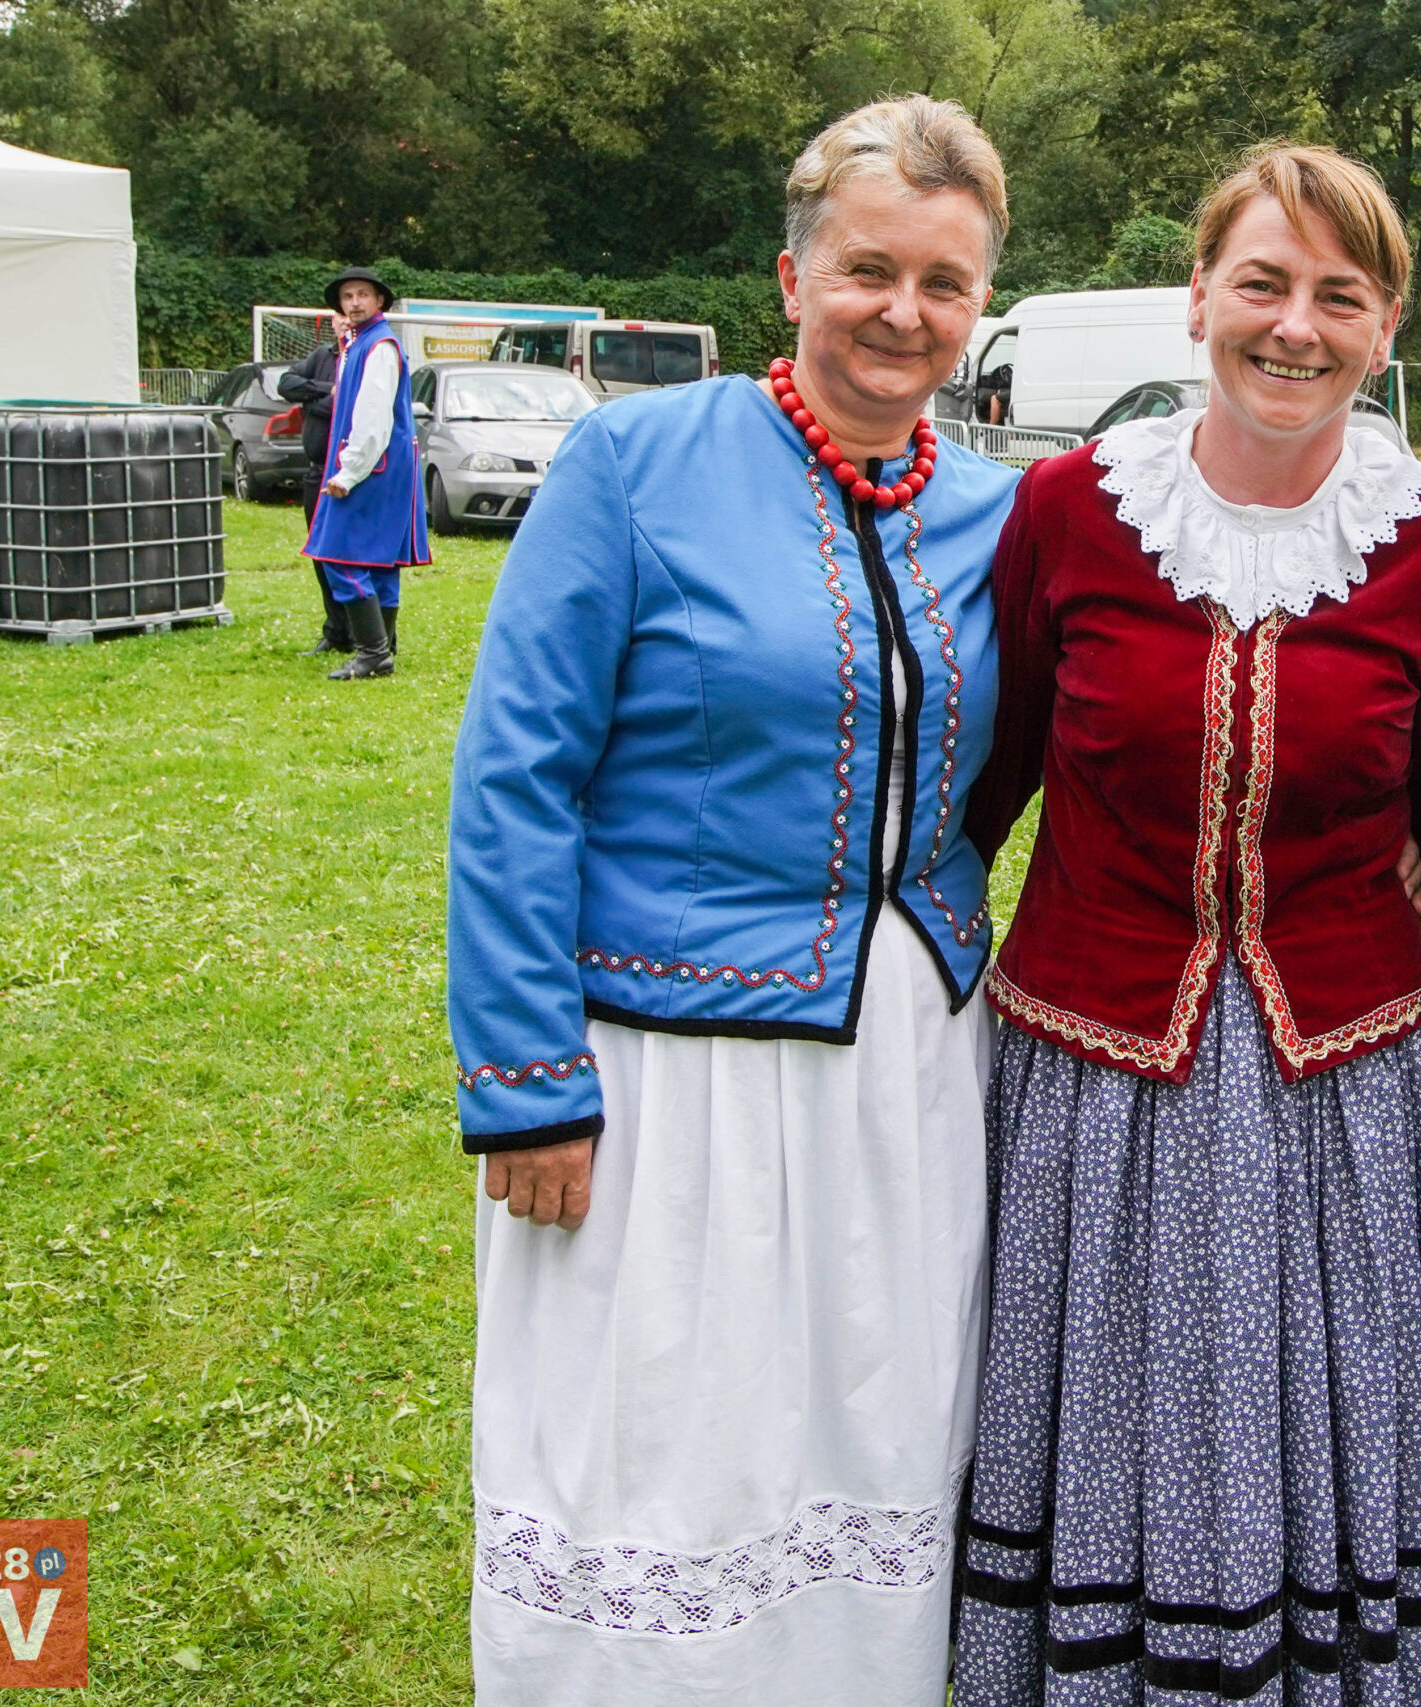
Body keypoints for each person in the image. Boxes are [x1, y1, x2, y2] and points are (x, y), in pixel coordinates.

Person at [444, 96, 1018, 1705]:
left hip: (906, 1065)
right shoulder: (636, 463)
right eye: (868, 269)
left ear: (979, 304)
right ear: (791, 275)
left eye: (944, 281)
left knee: (873, 1412)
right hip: (664, 1068)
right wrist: (527, 1080)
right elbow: (516, 778)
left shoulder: (996, 510)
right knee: (659, 1432)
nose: (903, 311)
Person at [954, 143, 1421, 1706]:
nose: (1295, 325)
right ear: (1198, 297)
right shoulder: (1070, 508)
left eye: (1342, 294)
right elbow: (983, 786)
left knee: (1335, 1420)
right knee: (1100, 1413)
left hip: (1345, 1086)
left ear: (1386, 326)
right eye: (1262, 282)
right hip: (1093, 1076)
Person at [303, 265, 430, 679]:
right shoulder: (359, 343)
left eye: (362, 294)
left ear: (379, 300)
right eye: (347, 296)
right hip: (384, 466)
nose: (354, 303)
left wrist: (348, 472)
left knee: (338, 553)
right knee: (380, 561)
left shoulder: (379, 346)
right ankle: (383, 645)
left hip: (375, 467)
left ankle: (373, 652)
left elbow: (373, 417)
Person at [275, 328, 346, 654]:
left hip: (349, 474)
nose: (345, 319)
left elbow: (344, 407)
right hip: (316, 474)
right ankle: (335, 631)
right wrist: (324, 390)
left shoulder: (369, 356)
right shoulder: (322, 357)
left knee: (348, 554)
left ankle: (366, 633)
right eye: (339, 312)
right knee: (320, 552)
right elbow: (286, 384)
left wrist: (312, 402)